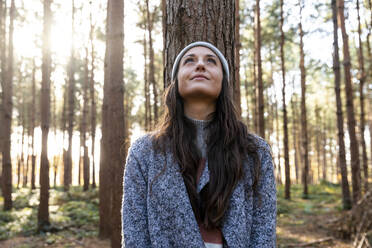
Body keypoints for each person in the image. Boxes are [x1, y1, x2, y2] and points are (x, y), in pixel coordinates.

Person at [122, 41, 276, 248]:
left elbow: (263, 232)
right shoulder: (144, 151)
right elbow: (135, 236)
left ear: (223, 82)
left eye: (211, 61)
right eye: (190, 61)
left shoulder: (254, 151)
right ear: (176, 81)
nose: (200, 65)